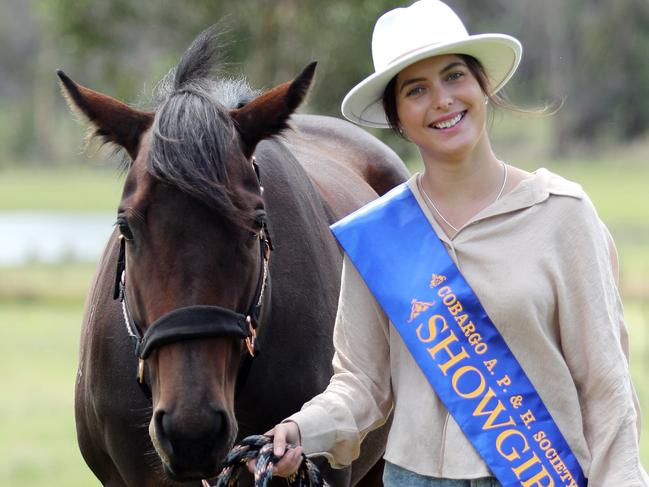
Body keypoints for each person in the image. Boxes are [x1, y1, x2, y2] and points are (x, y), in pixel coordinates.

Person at [258, 1, 649, 485]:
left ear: (483, 86)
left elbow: (606, 388)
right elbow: (362, 386)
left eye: (454, 76)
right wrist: (301, 430)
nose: (441, 100)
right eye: (416, 89)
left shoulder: (562, 215)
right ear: (397, 116)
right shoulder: (379, 234)